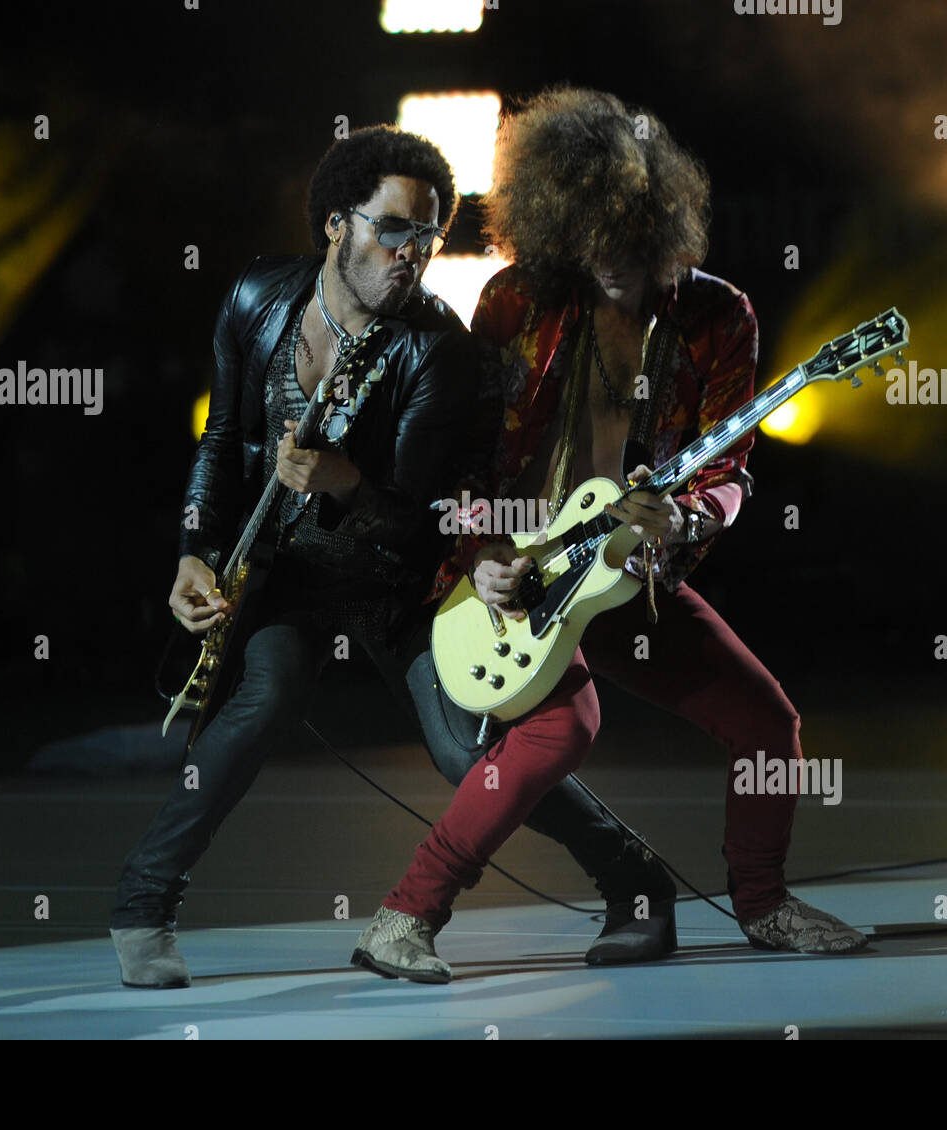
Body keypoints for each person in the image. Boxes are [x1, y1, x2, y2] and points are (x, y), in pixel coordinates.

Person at [109, 124, 678, 989]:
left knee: (468, 753)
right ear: (337, 224)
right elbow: (222, 437)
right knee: (262, 698)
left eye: (429, 237)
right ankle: (142, 907)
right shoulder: (256, 298)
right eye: (393, 228)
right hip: (291, 575)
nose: (411, 253)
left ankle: (637, 884)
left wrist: (342, 481)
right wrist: (195, 549)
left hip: (400, 584)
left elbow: (418, 521)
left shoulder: (434, 348)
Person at [352, 88, 867, 984]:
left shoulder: (719, 317)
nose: (612, 260)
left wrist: (687, 520)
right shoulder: (515, 301)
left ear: (662, 225)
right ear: (557, 230)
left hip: (629, 569)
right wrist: (483, 559)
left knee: (768, 723)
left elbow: (728, 468)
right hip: (524, 568)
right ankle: (405, 918)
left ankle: (764, 903)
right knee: (559, 732)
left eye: (629, 238)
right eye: (590, 240)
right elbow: (468, 460)